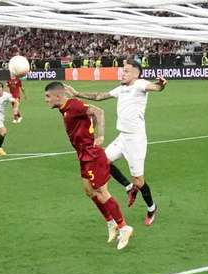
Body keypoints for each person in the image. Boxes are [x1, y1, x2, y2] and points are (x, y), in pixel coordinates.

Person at [64, 60, 167, 226]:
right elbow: (99, 96)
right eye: (122, 70)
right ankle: (128, 187)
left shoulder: (140, 84)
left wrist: (161, 84)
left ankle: (151, 207)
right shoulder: (121, 89)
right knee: (103, 160)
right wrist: (77, 94)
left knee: (139, 181)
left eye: (126, 71)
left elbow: (156, 87)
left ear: (136, 74)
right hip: (122, 138)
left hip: (136, 140)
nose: (122, 73)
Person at [44, 81, 133, 250]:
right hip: (83, 155)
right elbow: (89, 117)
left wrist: (99, 136)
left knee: (101, 191)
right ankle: (110, 223)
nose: (46, 100)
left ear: (58, 96)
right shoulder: (65, 109)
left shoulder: (73, 105)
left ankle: (124, 227)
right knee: (89, 191)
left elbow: (98, 112)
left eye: (48, 96)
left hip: (92, 154)